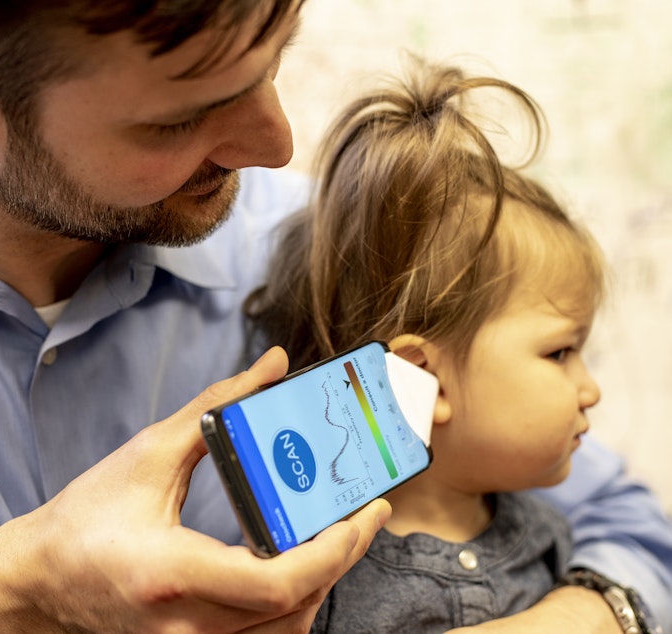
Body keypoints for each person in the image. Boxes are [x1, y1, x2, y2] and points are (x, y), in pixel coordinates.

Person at [0, 1, 669, 632]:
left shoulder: (316, 247)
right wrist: (10, 594)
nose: (275, 144)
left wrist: (590, 614)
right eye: (181, 116)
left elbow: (622, 525)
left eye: (271, 67)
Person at [244, 57, 628, 632]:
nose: (590, 390)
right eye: (559, 353)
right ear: (423, 378)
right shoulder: (320, 586)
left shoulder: (553, 538)